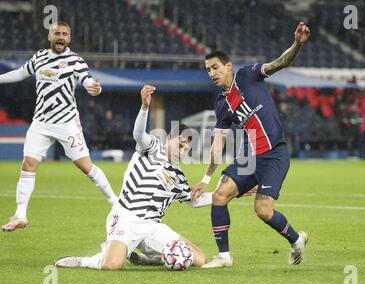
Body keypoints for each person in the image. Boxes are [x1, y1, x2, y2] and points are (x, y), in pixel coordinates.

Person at [191, 22, 310, 268]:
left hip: (274, 154)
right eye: (208, 70)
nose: (212, 73)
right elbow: (218, 145)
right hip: (250, 156)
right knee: (220, 196)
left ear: (228, 66)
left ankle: (296, 239)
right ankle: (224, 256)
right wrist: (205, 178)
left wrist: (297, 43)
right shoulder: (221, 104)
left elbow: (280, 63)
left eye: (215, 67)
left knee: (263, 210)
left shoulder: (249, 74)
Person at [54, 85, 208, 270]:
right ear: (169, 138)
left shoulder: (178, 176)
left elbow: (195, 200)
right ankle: (85, 261)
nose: (181, 151)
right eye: (180, 145)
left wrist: (230, 192)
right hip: (126, 217)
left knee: (199, 259)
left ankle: (155, 258)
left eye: (185, 149)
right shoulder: (152, 147)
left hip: (151, 227)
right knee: (111, 265)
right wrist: (144, 107)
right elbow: (138, 134)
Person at [0, 22, 117, 232]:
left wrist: (95, 88)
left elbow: (88, 81)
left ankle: (115, 203)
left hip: (67, 123)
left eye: (64, 34)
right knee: (28, 164)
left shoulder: (76, 61)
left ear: (69, 38)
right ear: (49, 36)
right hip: (41, 123)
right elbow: (19, 73)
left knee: (86, 168)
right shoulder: (39, 57)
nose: (60, 37)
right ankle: (20, 214)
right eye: (57, 33)